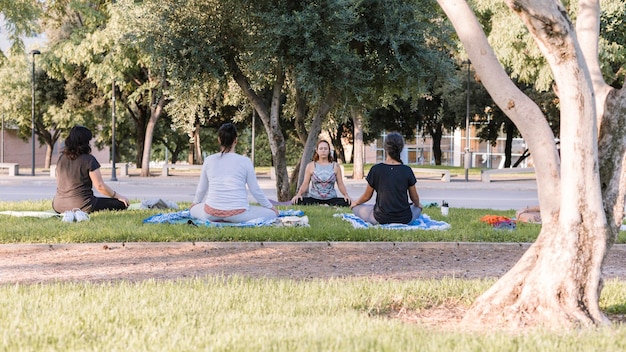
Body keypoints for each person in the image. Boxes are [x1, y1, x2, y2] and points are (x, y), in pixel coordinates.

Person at [190, 123, 278, 222]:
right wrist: (270, 207)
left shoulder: (209, 160)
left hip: (210, 214)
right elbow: (255, 190)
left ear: (219, 140)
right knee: (272, 214)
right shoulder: (245, 161)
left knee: (194, 209)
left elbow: (202, 188)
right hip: (238, 215)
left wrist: (195, 203)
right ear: (235, 140)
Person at [52, 126, 129, 214]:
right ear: (85, 142)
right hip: (83, 205)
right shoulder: (89, 160)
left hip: (58, 206)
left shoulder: (61, 159)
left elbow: (58, 179)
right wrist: (118, 196)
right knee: (121, 204)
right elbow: (100, 186)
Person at [350, 132, 422, 225]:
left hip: (380, 218)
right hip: (404, 219)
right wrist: (418, 205)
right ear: (401, 148)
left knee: (357, 208)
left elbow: (366, 197)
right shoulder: (407, 170)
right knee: (417, 207)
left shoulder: (376, 169)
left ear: (385, 148)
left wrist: (355, 203)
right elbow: (415, 198)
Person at [291, 140, 352, 206]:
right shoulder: (310, 166)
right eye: (321, 148)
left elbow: (340, 184)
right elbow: (305, 184)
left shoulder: (335, 166)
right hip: (314, 198)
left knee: (347, 202)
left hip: (331, 199)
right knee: (297, 201)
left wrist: (346, 195)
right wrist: (299, 194)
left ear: (329, 151)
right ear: (317, 151)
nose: (323, 151)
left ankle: (325, 205)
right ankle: (323, 205)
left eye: (325, 149)